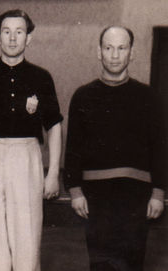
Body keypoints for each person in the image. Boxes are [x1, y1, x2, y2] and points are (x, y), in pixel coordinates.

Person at [0, 9, 63, 271]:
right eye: (6, 32)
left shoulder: (41, 77)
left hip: (26, 156)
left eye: (19, 32)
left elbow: (54, 126)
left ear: (29, 38)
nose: (13, 38)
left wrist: (52, 174)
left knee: (27, 232)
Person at [64, 26, 167, 271]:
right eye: (108, 48)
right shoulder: (83, 96)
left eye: (122, 48)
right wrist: (75, 190)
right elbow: (74, 147)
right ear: (99, 52)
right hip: (96, 195)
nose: (114, 55)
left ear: (132, 53)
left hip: (136, 195)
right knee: (101, 263)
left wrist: (158, 192)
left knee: (132, 262)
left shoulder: (148, 97)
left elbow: (160, 148)